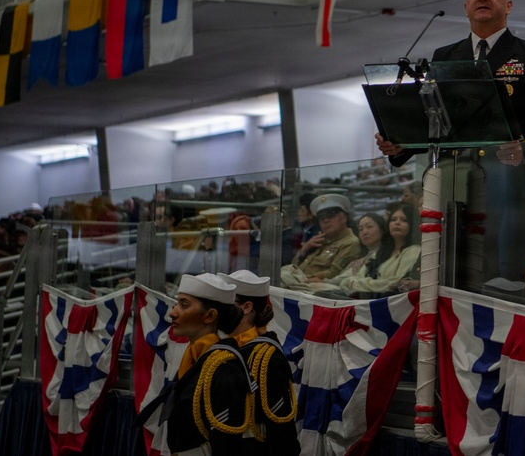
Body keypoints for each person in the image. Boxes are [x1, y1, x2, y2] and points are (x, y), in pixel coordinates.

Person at [375, 0, 525, 279]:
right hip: (453, 187)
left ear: (508, 5)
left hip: (506, 189)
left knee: (502, 275)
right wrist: (401, 144)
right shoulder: (445, 57)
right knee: (450, 274)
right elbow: (435, 121)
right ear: (465, 5)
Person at [140, 273, 255, 455]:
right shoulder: (193, 359)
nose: (173, 312)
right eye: (177, 303)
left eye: (184, 305)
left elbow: (228, 444)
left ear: (209, 316)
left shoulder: (224, 370)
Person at [219, 270, 300, 455]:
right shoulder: (220, 347)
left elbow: (280, 430)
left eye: (226, 303)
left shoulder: (266, 358)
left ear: (247, 307)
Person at [315, 212, 420, 295]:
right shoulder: (382, 253)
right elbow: (355, 277)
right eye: (360, 229)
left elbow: (395, 283)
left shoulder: (413, 251)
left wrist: (351, 282)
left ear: (382, 229)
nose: (364, 232)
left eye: (369, 227)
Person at [279, 193, 361, 288]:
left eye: (331, 216)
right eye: (321, 217)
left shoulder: (350, 242)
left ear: (344, 218)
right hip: (299, 285)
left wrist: (300, 278)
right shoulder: (320, 239)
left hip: (314, 288)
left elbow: (335, 273)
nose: (325, 220)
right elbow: (294, 264)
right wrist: (304, 250)